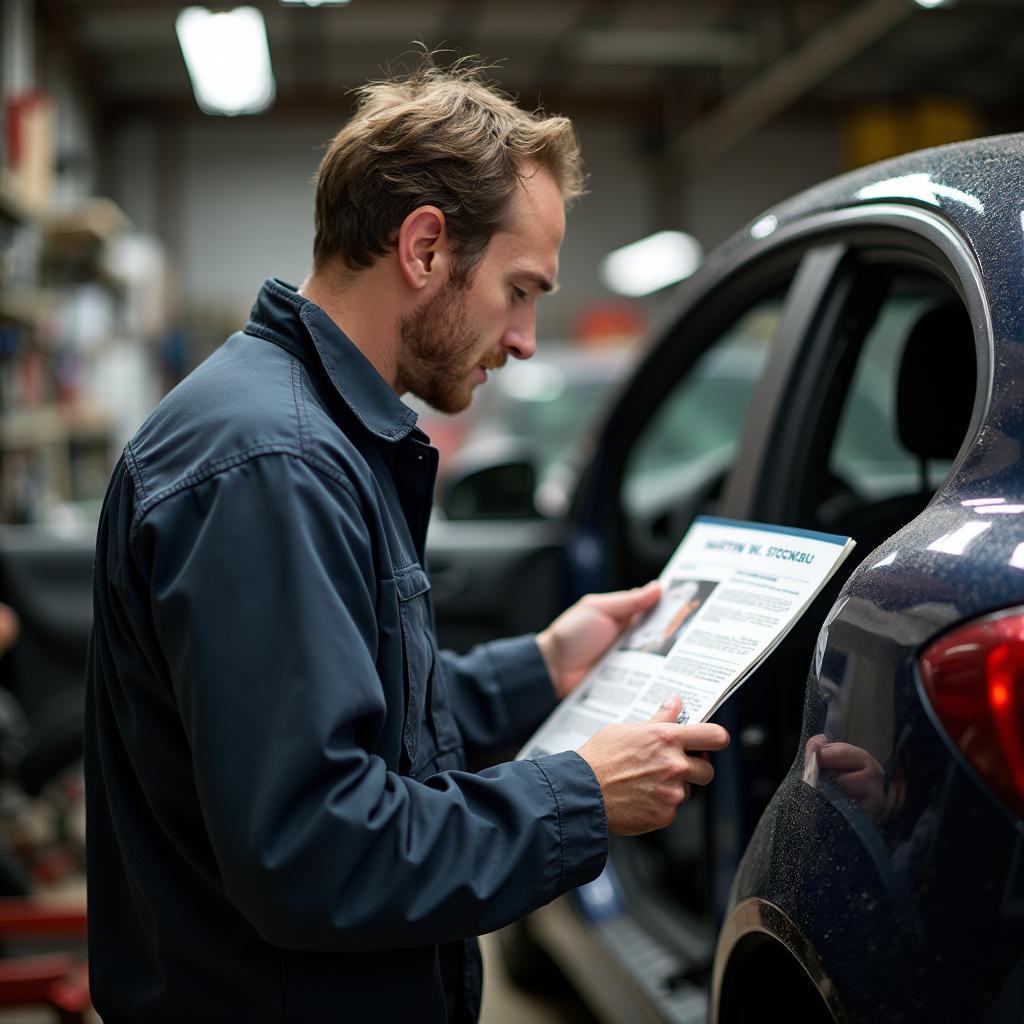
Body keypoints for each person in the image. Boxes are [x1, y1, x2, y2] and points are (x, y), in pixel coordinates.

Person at [84, 56, 730, 1023]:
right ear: (425, 248)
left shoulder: (314, 432)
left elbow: (359, 722)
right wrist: (581, 798)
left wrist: (544, 667)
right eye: (521, 289)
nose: (524, 338)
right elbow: (317, 847)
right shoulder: (278, 465)